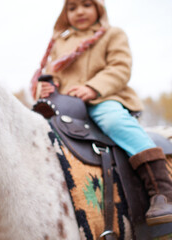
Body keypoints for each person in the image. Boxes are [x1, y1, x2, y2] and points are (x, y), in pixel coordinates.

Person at [32, 0, 172, 225]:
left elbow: (120, 68)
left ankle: (162, 191)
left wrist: (93, 88)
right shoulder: (60, 43)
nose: (79, 11)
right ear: (65, 13)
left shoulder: (112, 34)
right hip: (67, 105)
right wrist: (46, 87)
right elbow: (53, 74)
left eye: (86, 5)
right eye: (72, 7)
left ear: (99, 8)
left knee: (114, 121)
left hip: (103, 97)